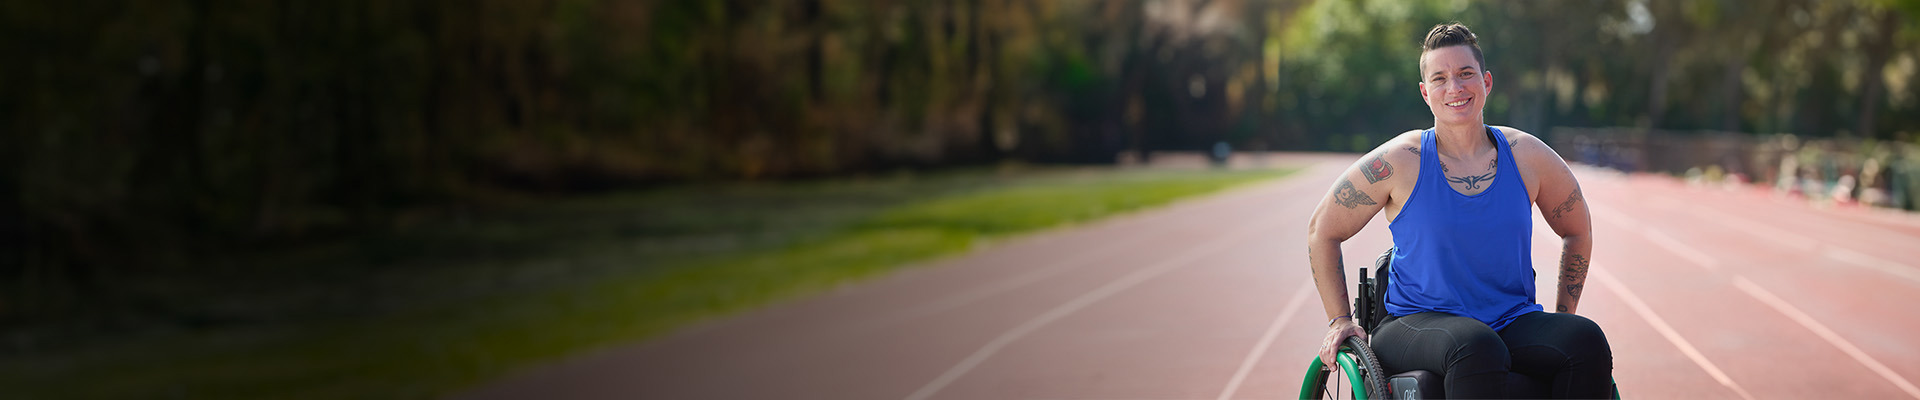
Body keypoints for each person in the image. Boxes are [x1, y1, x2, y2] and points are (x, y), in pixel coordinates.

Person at [1306, 23, 1612, 398]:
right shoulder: (1401, 160)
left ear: (1486, 82)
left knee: (1584, 340)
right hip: (1413, 322)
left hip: (1509, 320)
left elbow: (1578, 229)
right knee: (1476, 346)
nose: (1455, 87)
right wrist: (1339, 319)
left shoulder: (1527, 155)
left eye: (1466, 74)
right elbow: (1322, 229)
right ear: (1425, 92)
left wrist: (1563, 316)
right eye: (1440, 78)